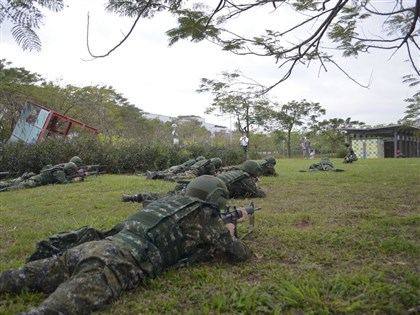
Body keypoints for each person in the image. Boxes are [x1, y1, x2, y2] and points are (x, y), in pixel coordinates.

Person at [0, 176, 251, 315]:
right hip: (114, 263)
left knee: (15, 278)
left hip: (92, 248)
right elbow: (238, 253)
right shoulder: (203, 215)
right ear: (216, 199)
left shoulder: (169, 202)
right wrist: (230, 229)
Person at [0, 161, 80, 192]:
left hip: (36, 179)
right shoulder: (59, 171)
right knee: (15, 187)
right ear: (69, 169)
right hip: (36, 181)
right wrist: (75, 180)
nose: (71, 173)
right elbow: (64, 182)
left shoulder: (60, 168)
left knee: (13, 184)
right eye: (71, 172)